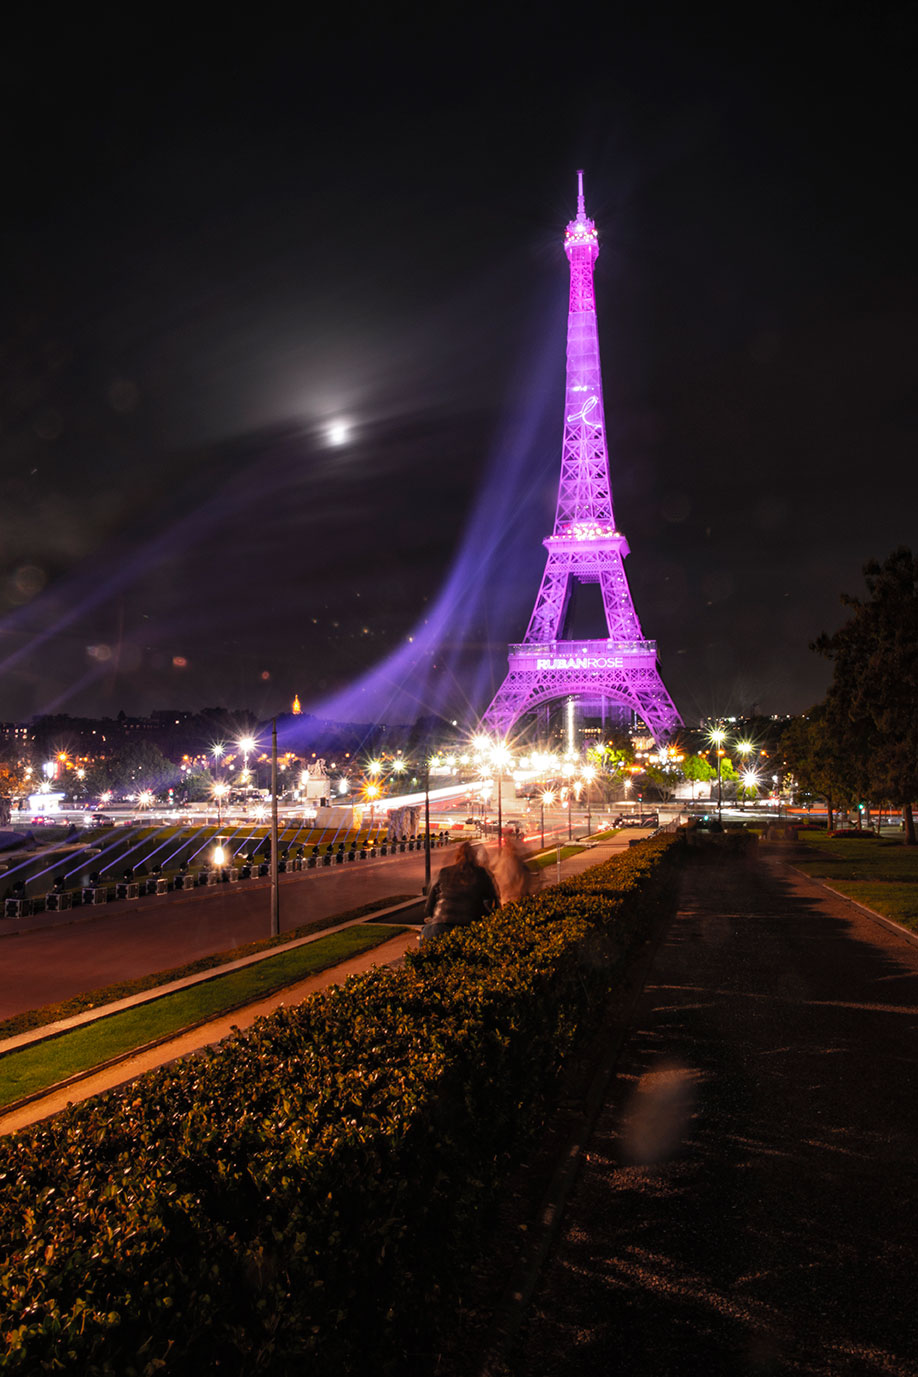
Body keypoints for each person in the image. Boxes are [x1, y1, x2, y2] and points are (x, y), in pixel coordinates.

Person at [420, 840, 499, 943]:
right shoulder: (482, 873)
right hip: (469, 928)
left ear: (457, 856)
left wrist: (436, 917)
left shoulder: (444, 872)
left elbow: (429, 908)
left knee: (425, 937)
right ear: (475, 857)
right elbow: (494, 900)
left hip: (440, 927)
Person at [491, 831, 540, 905]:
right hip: (515, 897)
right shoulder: (515, 859)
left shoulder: (509, 860)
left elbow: (504, 880)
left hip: (511, 898)